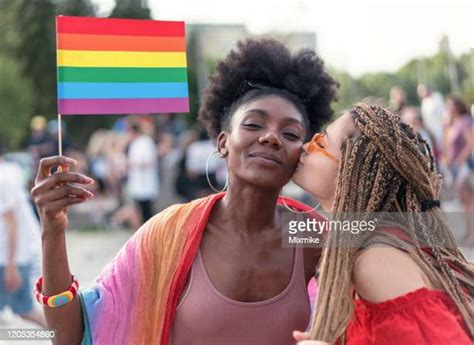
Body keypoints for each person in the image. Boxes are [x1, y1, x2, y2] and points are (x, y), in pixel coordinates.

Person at [31, 38, 338, 344]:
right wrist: (52, 230)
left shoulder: (304, 231)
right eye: (254, 125)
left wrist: (333, 190)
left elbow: (381, 240)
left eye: (290, 133)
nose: (271, 137)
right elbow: (69, 335)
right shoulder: (171, 234)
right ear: (222, 143)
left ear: (303, 152)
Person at [291, 103, 473, 344]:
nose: (304, 147)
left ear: (350, 171)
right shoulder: (390, 244)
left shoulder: (374, 262)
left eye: (320, 143)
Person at [0, 144, 46, 328]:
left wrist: (12, 265)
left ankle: (64, 337)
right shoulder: (10, 171)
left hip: (11, 257)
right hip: (13, 255)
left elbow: (12, 224)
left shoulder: (3, 180)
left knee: (25, 309)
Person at [443, 95, 474, 245]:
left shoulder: (465, 122)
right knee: (464, 202)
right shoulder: (452, 123)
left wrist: (459, 161)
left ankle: (471, 234)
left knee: (469, 202)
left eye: (450, 105)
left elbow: (471, 143)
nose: (447, 108)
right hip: (454, 166)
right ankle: (469, 232)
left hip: (464, 167)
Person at [126, 121, 159, 223]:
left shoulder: (146, 142)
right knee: (138, 209)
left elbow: (150, 161)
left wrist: (134, 164)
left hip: (146, 182)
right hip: (137, 182)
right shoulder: (133, 144)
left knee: (147, 210)